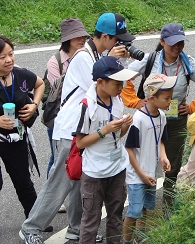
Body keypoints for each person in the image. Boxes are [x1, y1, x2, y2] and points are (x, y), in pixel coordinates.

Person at [20, 12, 135, 244]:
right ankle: (31, 227)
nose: (120, 44)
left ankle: (76, 229)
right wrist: (111, 59)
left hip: (86, 129)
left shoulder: (95, 54)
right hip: (70, 131)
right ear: (105, 36)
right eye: (117, 40)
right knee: (61, 181)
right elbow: (99, 85)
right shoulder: (85, 58)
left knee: (80, 182)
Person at [121, 22, 195, 212]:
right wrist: (134, 101)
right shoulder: (150, 60)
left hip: (175, 122)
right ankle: (141, 209)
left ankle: (168, 208)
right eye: (172, 43)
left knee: (172, 166)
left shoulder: (188, 62)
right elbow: (124, 77)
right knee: (145, 164)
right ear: (162, 41)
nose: (176, 47)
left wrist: (192, 107)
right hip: (150, 119)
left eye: (180, 42)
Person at [73, 56, 137, 244]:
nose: (121, 88)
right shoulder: (87, 106)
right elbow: (80, 143)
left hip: (117, 168)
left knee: (115, 216)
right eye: (117, 83)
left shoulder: (117, 100)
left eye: (122, 83)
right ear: (100, 82)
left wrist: (124, 125)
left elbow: (118, 136)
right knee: (91, 221)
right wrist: (105, 130)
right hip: (94, 173)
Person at [122, 73, 174, 244]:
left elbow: (160, 142)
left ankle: (141, 237)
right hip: (138, 174)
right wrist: (141, 174)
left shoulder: (162, 117)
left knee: (145, 208)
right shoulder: (138, 120)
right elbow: (129, 149)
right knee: (134, 211)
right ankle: (126, 241)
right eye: (166, 98)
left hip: (151, 172)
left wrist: (164, 157)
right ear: (152, 98)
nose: (169, 102)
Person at [45, 17, 90, 214]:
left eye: (83, 36)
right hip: (59, 119)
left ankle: (74, 220)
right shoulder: (55, 61)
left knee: (74, 164)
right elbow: (63, 90)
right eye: (76, 36)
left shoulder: (87, 56)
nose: (81, 39)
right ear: (67, 39)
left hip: (79, 120)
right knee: (57, 162)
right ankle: (52, 201)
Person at [0, 35, 45, 217]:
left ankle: (34, 220)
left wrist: (34, 104)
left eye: (11, 54)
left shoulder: (20, 75)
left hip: (16, 137)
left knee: (24, 181)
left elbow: (40, 83)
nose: (9, 59)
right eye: (2, 57)